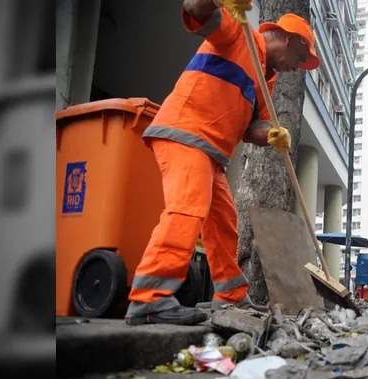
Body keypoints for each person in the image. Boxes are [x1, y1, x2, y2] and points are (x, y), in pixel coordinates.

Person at [125, 0, 320, 326]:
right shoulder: (239, 34)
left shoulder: (265, 78)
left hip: (210, 151)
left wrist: (272, 133)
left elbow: (251, 129)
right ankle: (150, 299)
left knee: (223, 224)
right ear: (289, 39)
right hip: (184, 132)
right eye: (301, 58)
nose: (297, 66)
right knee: (187, 210)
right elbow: (196, 9)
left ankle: (230, 296)